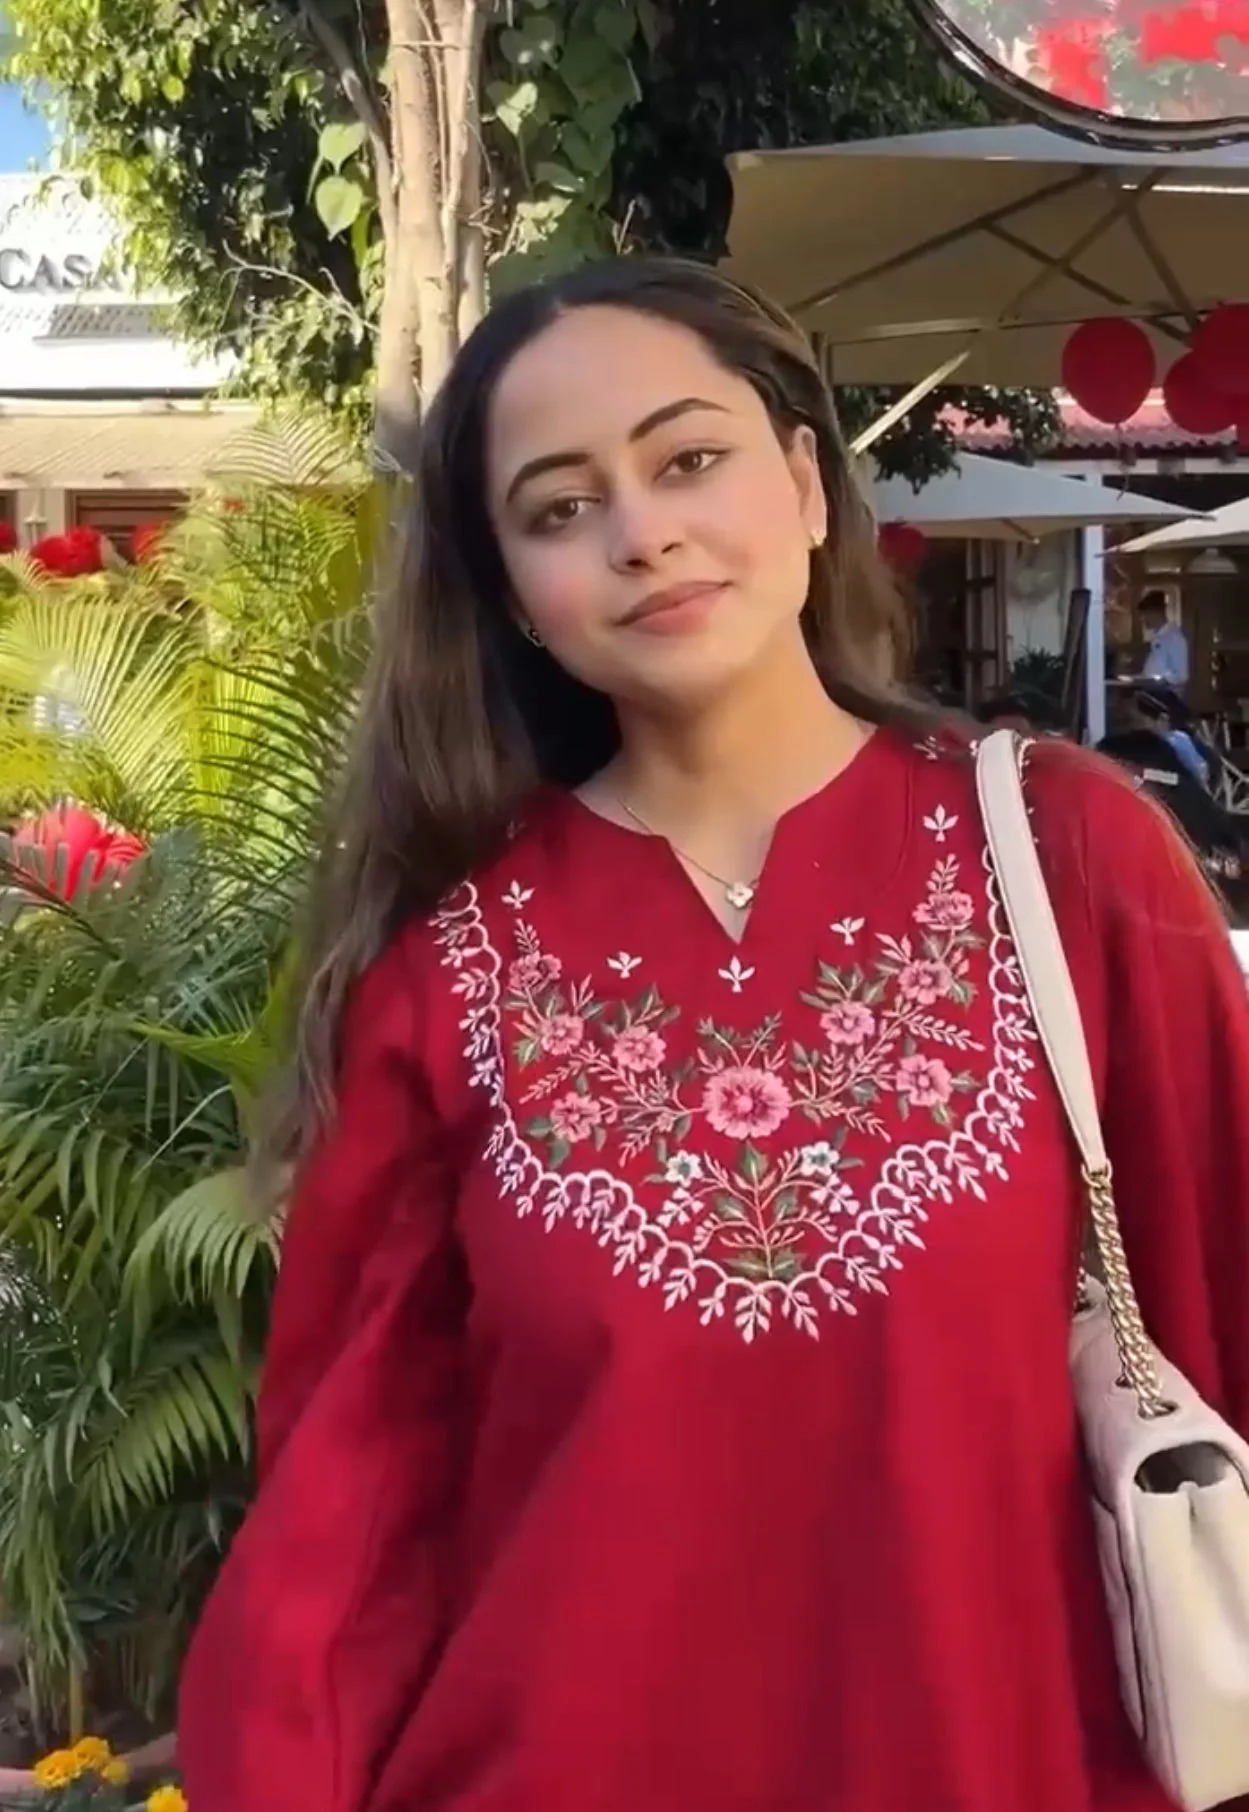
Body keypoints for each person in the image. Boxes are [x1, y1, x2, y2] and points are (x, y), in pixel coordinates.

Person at [178, 257, 1249, 1812]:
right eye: (560, 508)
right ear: (515, 596)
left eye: (688, 459)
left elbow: (1223, 1299)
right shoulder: (447, 984)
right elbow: (342, 1546)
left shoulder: (1066, 859)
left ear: (806, 485)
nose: (641, 532)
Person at [1138, 587, 1190, 691]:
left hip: (1165, 695)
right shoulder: (1158, 638)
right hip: (1152, 693)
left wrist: (1159, 680)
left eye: (1145, 615)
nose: (1142, 620)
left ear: (1155, 613)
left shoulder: (1175, 638)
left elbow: (1181, 676)